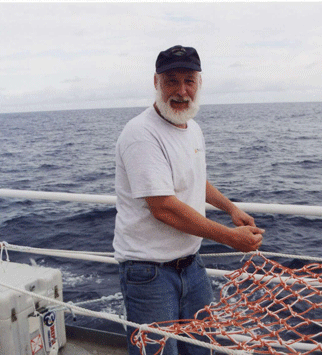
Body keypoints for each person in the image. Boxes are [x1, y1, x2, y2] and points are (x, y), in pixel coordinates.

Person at [114, 45, 264, 355]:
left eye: (189, 81)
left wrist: (231, 208)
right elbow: (163, 207)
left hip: (191, 266)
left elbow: (196, 179)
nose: (182, 91)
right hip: (149, 272)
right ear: (156, 83)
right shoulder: (141, 133)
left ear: (199, 84)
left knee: (201, 347)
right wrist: (229, 237)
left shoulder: (191, 127)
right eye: (172, 81)